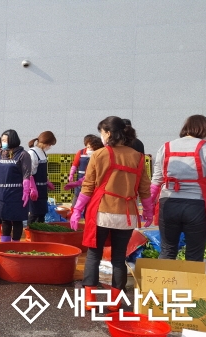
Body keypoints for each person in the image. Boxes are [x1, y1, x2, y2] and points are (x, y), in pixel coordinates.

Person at [70, 116, 151, 312]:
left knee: (93, 256)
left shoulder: (99, 155)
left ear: (108, 133)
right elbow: (145, 189)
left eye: (102, 132)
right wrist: (148, 212)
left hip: (101, 212)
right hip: (127, 215)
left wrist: (76, 210)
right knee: (118, 258)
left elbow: (88, 187)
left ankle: (89, 299)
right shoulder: (139, 157)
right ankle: (115, 302)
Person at [150, 115, 206, 261]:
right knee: (194, 254)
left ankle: (163, 283)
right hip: (196, 205)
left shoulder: (166, 146)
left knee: (167, 250)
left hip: (168, 203)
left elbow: (156, 179)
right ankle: (190, 284)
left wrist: (148, 205)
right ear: (204, 128)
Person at [27, 131, 57, 224]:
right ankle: (29, 234)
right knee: (34, 213)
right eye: (50, 144)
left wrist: (47, 182)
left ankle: (40, 233)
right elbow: (29, 173)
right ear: (46, 143)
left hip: (42, 188)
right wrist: (32, 188)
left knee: (42, 213)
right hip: (35, 188)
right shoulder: (32, 153)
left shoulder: (43, 153)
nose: (50, 147)